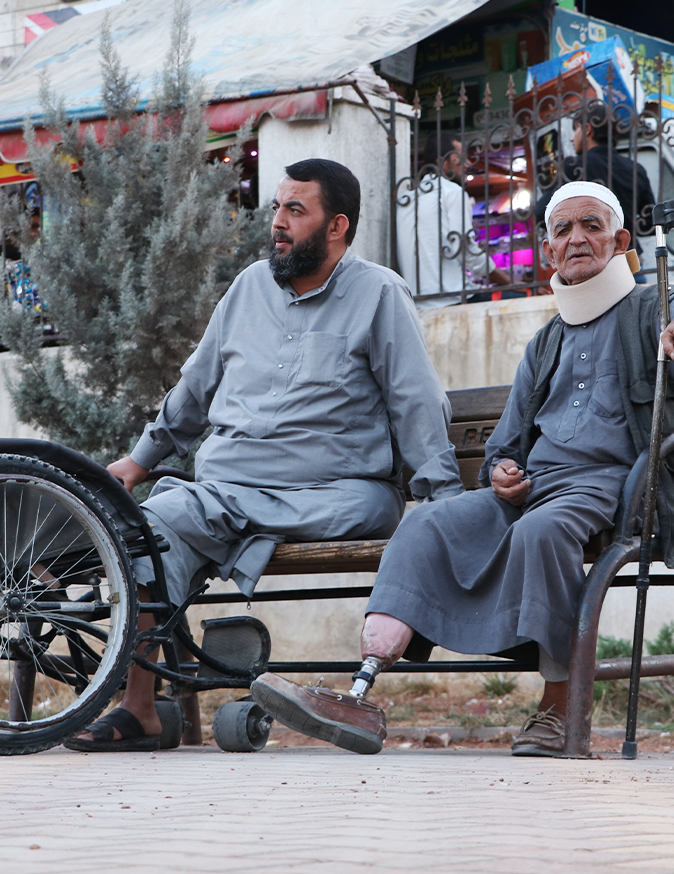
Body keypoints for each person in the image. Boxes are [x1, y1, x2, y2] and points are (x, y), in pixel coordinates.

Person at [252, 181, 674, 758]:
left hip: (617, 488)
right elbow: (507, 444)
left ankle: (559, 710)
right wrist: (503, 469)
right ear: (549, 251)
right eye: (563, 231)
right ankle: (360, 692)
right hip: (540, 490)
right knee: (425, 524)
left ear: (620, 240)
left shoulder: (654, 304)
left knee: (541, 530)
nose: (577, 238)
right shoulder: (546, 341)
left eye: (592, 226)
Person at [65, 158, 464, 751]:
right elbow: (196, 385)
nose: (278, 222)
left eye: (295, 210)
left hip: (334, 494)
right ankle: (142, 710)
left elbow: (417, 399)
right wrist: (140, 461)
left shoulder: (378, 292)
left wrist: (443, 499)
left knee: (363, 509)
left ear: (337, 226)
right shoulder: (249, 285)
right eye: (277, 207)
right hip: (227, 487)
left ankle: (228, 536)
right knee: (147, 530)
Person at [536, 101, 656, 278]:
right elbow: (650, 221)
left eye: (575, 131)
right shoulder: (635, 168)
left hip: (590, 268)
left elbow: (541, 211)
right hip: (628, 266)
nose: (572, 138)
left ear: (586, 129)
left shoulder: (575, 166)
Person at [393, 132, 509, 307]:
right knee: (528, 298)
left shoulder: (406, 200)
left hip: (416, 303)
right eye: (460, 158)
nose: (467, 164)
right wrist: (509, 282)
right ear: (442, 162)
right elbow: (466, 250)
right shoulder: (452, 192)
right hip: (453, 297)